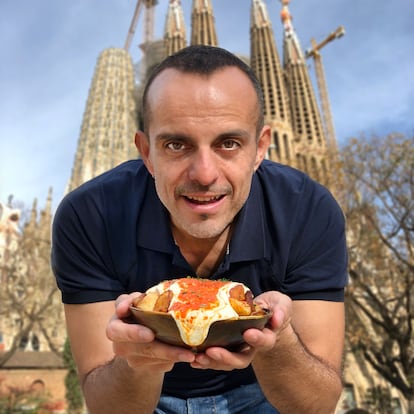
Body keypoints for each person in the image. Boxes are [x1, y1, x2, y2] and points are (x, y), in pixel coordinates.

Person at [51, 45, 348, 413]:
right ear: (146, 152)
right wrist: (137, 361)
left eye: (229, 143)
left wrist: (278, 339)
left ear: (260, 148)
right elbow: (106, 404)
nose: (205, 174)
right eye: (177, 144)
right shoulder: (90, 216)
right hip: (146, 396)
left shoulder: (307, 211)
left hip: (265, 390)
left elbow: (317, 404)